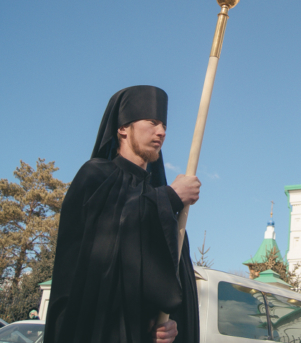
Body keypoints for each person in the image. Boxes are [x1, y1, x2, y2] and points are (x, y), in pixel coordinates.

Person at [44, 86, 201, 343]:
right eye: (152, 123)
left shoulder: (157, 197)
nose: (161, 132)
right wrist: (170, 197)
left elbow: (164, 279)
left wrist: (169, 324)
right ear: (123, 128)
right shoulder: (95, 177)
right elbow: (111, 247)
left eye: (163, 125)